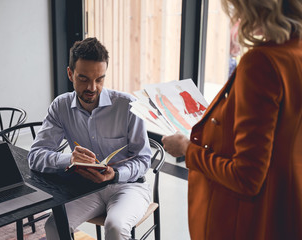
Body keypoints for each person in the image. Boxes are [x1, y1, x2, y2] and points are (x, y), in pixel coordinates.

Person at [161, 0, 302, 239]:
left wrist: (187, 149)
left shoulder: (262, 63)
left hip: (252, 220)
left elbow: (246, 177)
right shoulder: (295, 53)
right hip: (288, 208)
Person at [28, 37, 152, 240]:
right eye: (84, 78)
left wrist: (115, 174)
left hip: (129, 186)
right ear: (70, 74)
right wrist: (70, 160)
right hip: (86, 189)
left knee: (115, 227)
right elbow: (35, 156)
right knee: (54, 226)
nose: (92, 88)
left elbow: (144, 159)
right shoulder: (61, 106)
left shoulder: (127, 105)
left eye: (99, 79)